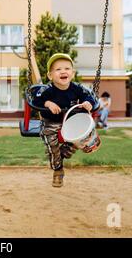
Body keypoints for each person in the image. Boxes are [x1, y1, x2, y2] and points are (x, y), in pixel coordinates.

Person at [37, 53, 99, 188]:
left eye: (67, 68)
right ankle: (58, 169)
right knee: (52, 145)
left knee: (79, 139)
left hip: (70, 123)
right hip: (50, 123)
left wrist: (87, 102)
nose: (63, 71)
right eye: (58, 69)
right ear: (50, 75)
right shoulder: (47, 90)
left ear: (72, 73)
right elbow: (36, 99)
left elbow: (89, 97)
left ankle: (64, 152)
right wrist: (48, 103)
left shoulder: (77, 88)